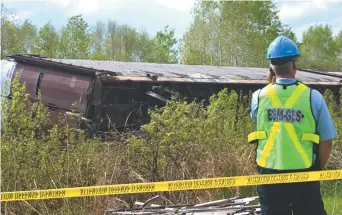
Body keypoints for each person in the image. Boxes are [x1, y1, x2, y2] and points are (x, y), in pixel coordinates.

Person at [248, 35, 337, 215]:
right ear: (294, 65)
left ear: (271, 67)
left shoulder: (258, 97)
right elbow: (327, 141)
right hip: (305, 174)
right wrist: (318, 169)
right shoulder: (313, 97)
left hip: (269, 175)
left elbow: (262, 122)